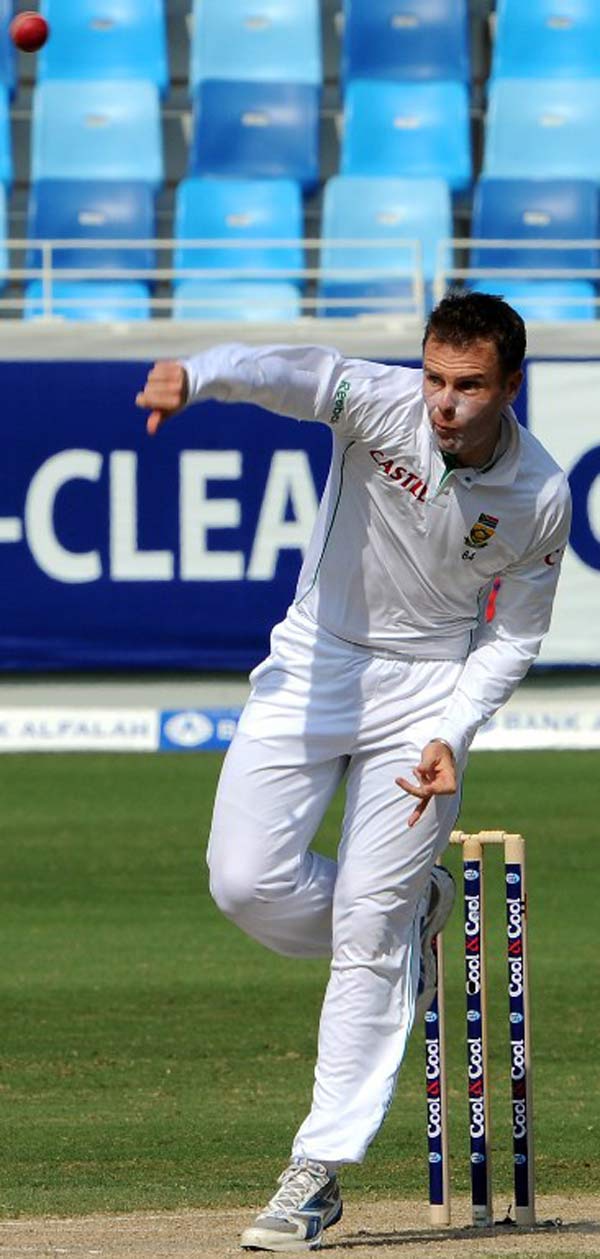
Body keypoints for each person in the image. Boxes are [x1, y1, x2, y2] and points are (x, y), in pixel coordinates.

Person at [135, 293, 571, 1253]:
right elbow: (294, 371)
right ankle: (416, 916)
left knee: (366, 937)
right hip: (314, 663)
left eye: (469, 386)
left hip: (428, 693)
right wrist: (199, 375)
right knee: (243, 880)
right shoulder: (381, 405)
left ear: (510, 386)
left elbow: (516, 634)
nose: (445, 403)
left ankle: (317, 1173)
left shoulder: (539, 493)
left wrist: (457, 726)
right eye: (436, 378)